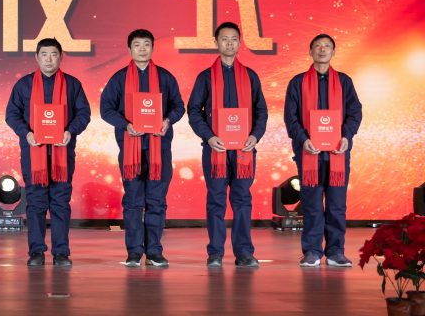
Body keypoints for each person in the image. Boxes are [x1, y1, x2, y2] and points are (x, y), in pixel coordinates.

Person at [99, 29, 184, 267]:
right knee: (133, 201)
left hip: (159, 150)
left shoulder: (165, 77)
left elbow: (179, 106)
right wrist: (126, 125)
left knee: (157, 201)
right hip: (131, 150)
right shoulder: (119, 79)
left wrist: (167, 120)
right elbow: (106, 109)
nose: (142, 49)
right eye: (137, 45)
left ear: (153, 48)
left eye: (146, 44)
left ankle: (154, 251)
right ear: (129, 49)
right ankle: (134, 252)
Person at [187, 22, 267, 268]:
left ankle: (244, 253)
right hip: (216, 151)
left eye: (234, 39)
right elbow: (194, 111)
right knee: (216, 201)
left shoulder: (250, 76)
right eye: (224, 39)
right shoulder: (205, 77)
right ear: (216, 42)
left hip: (244, 151)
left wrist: (255, 135)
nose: (229, 43)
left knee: (242, 200)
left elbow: (261, 111)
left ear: (239, 42)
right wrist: (209, 137)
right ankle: (215, 253)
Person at [5, 38, 91, 267]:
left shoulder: (73, 84)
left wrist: (70, 131)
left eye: (54, 54)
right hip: (34, 153)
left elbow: (84, 114)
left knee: (61, 202)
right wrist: (26, 133)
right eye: (44, 54)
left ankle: (61, 252)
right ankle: (36, 252)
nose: (49, 59)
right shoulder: (24, 85)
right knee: (35, 203)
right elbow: (11, 114)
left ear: (60, 57)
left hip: (63, 153)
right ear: (37, 57)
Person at [283, 33, 362, 268]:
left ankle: (336, 251)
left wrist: (347, 136)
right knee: (312, 205)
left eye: (327, 46)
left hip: (337, 154)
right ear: (310, 51)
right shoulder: (297, 83)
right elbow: (290, 117)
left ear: (333, 52)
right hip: (309, 153)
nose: (322, 49)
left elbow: (355, 112)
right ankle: (312, 251)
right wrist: (303, 139)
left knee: (337, 205)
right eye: (318, 46)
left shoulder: (345, 82)